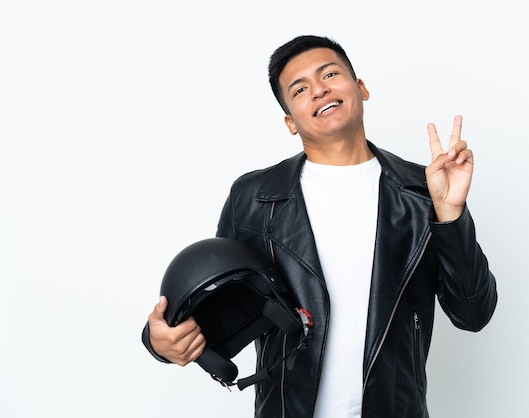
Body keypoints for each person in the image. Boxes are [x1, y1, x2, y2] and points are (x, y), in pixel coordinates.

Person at [142, 34, 497, 418]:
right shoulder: (255, 198)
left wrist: (451, 214)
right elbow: (213, 304)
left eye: (330, 73)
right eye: (300, 89)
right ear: (290, 122)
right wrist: (159, 341)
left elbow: (473, 314)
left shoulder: (424, 192)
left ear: (361, 89)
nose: (319, 90)